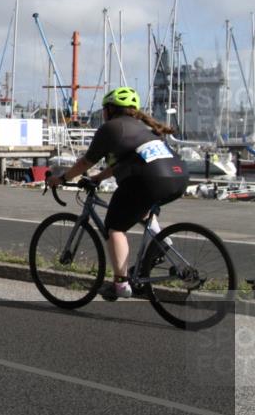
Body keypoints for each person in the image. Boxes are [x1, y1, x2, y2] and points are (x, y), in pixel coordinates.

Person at [47, 87, 189, 300]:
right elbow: (122, 164)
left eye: (104, 108)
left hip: (149, 179)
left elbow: (86, 161)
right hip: (178, 177)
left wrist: (61, 179)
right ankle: (161, 245)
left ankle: (121, 285)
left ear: (111, 109)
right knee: (141, 209)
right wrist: (97, 178)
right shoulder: (142, 129)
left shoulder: (111, 128)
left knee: (115, 227)